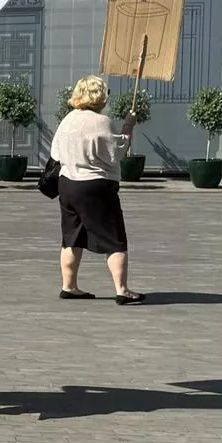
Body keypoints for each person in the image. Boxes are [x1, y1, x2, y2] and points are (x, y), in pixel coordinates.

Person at [49, 75, 144, 305]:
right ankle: (122, 290)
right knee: (114, 239)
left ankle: (68, 286)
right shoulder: (101, 121)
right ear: (99, 96)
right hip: (95, 186)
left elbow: (55, 154)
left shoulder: (68, 119)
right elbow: (116, 153)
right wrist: (128, 126)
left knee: (71, 238)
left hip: (67, 184)